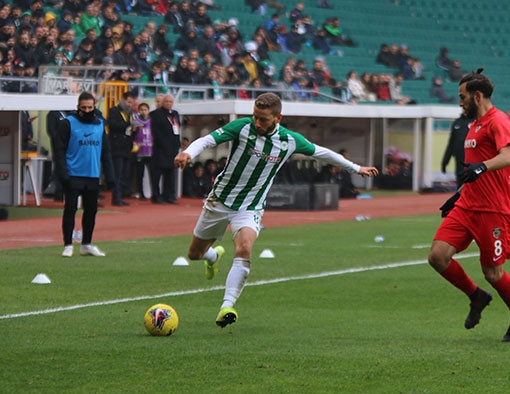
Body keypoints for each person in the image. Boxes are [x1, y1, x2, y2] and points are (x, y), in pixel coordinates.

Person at [173, 92, 378, 328]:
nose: (257, 123)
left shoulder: (289, 140)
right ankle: (212, 256)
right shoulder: (242, 127)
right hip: (218, 201)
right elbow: (208, 140)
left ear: (278, 118)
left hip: (250, 206)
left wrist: (355, 168)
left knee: (245, 247)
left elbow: (321, 152)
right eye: (255, 117)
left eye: (263, 119)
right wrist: (188, 153)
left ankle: (226, 306)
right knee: (194, 254)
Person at [428, 68, 510, 343]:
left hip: (492, 210)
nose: (460, 102)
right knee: (437, 256)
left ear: (477, 96)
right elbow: (472, 171)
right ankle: (476, 296)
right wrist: (458, 194)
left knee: (492, 273)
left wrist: (482, 167)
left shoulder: (499, 120)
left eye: (462, 97)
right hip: (467, 206)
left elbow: (508, 156)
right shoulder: (473, 126)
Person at [52, 91, 115, 258]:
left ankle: (86, 244)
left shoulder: (100, 124)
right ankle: (68, 245)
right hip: (73, 173)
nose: (87, 110)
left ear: (94, 107)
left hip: (92, 174)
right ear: (78, 107)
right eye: (83, 107)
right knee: (70, 209)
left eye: (90, 107)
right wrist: (63, 173)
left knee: (91, 210)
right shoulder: (68, 123)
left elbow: (106, 152)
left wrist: (110, 175)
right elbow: (59, 151)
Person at [150, 94, 181, 204]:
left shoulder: (175, 114)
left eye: (170, 102)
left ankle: (169, 195)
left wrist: (177, 145)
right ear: (162, 102)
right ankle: (156, 195)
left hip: (173, 148)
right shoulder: (156, 114)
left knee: (170, 174)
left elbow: (177, 130)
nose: (168, 103)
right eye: (166, 101)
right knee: (157, 174)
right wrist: (163, 144)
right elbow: (155, 131)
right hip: (160, 148)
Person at [107, 91, 136, 206]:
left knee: (125, 174)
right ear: (123, 100)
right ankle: (116, 197)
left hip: (127, 147)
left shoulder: (129, 113)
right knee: (118, 174)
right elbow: (112, 125)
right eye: (128, 102)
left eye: (132, 103)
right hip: (117, 147)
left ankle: (121, 195)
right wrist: (128, 124)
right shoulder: (114, 111)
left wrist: (134, 129)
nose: (130, 105)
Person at [441, 111, 473, 188]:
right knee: (460, 183)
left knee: (471, 183)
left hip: (472, 161)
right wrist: (445, 162)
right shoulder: (457, 123)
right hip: (459, 161)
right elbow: (451, 144)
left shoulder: (475, 121)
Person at [132, 102, 152, 199]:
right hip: (140, 151)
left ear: (148, 111)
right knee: (140, 174)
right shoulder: (135, 121)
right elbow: (132, 135)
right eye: (142, 110)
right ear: (139, 111)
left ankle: (153, 193)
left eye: (145, 110)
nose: (143, 112)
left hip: (151, 151)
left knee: (152, 173)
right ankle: (141, 192)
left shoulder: (152, 121)